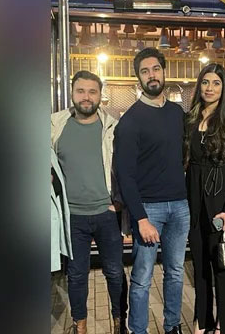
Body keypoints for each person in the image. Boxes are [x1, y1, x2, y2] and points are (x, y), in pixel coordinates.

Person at [114, 48, 189, 334]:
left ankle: (172, 326)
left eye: (155, 69)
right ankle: (138, 329)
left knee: (175, 273)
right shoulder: (130, 121)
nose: (152, 75)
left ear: (164, 71)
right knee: (143, 277)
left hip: (180, 206)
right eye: (145, 71)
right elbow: (125, 175)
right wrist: (141, 218)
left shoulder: (177, 114)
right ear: (138, 78)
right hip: (149, 209)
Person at [50, 70, 127, 334]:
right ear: (72, 93)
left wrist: (119, 202)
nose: (86, 97)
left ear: (100, 95)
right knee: (77, 275)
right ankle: (79, 325)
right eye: (81, 91)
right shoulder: (54, 125)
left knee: (115, 273)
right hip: (72, 216)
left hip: (106, 213)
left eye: (92, 91)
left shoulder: (112, 127)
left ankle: (119, 322)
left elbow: (127, 168)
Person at [183, 63, 225, 334]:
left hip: (221, 200)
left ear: (224, 88)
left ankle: (224, 324)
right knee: (199, 266)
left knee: (222, 266)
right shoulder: (189, 118)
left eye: (216, 83)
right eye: (206, 82)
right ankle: (202, 320)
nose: (210, 88)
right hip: (193, 198)